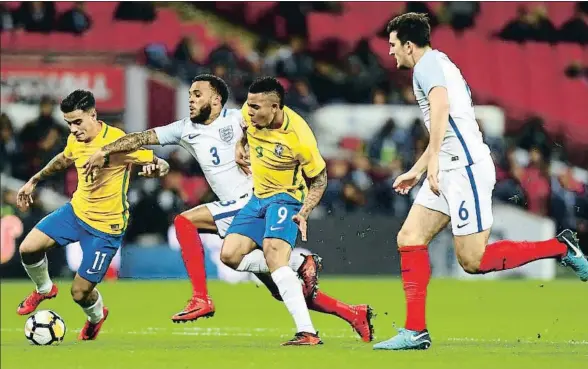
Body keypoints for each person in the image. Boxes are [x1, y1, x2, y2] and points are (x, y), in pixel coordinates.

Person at [82, 74, 374, 342]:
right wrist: (105, 149)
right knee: (281, 287)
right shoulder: (185, 129)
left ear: (216, 99)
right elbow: (141, 138)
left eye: (198, 94)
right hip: (245, 208)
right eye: (191, 94)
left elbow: (272, 134)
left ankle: (201, 297)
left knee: (185, 222)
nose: (191, 98)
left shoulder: (239, 117)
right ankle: (352, 312)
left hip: (252, 199)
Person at [374, 13, 588, 351]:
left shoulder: (426, 66)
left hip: (464, 170)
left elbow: (442, 108)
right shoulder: (439, 62)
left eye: (393, 45)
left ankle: (560, 247)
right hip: (450, 166)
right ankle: (415, 330)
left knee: (473, 261)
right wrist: (421, 168)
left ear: (409, 45)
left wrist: (431, 167)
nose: (390, 52)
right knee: (410, 236)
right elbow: (446, 127)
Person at [15, 90, 170, 340]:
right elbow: (64, 159)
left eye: (77, 122)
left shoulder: (118, 142)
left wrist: (157, 169)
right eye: (69, 123)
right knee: (28, 248)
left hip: (105, 228)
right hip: (76, 213)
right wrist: (34, 180)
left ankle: (96, 317)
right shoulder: (76, 139)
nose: (73, 129)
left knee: (80, 293)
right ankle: (44, 289)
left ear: (93, 115)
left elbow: (161, 163)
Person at [220, 77, 325, 346]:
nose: (249, 112)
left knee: (273, 254)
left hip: (286, 197)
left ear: (275, 107)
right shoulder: (250, 113)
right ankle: (300, 263)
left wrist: (304, 211)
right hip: (258, 197)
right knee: (229, 255)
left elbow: (320, 179)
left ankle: (308, 332)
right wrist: (239, 146)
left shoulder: (299, 138)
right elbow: (244, 129)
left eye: (256, 108)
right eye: (249, 105)